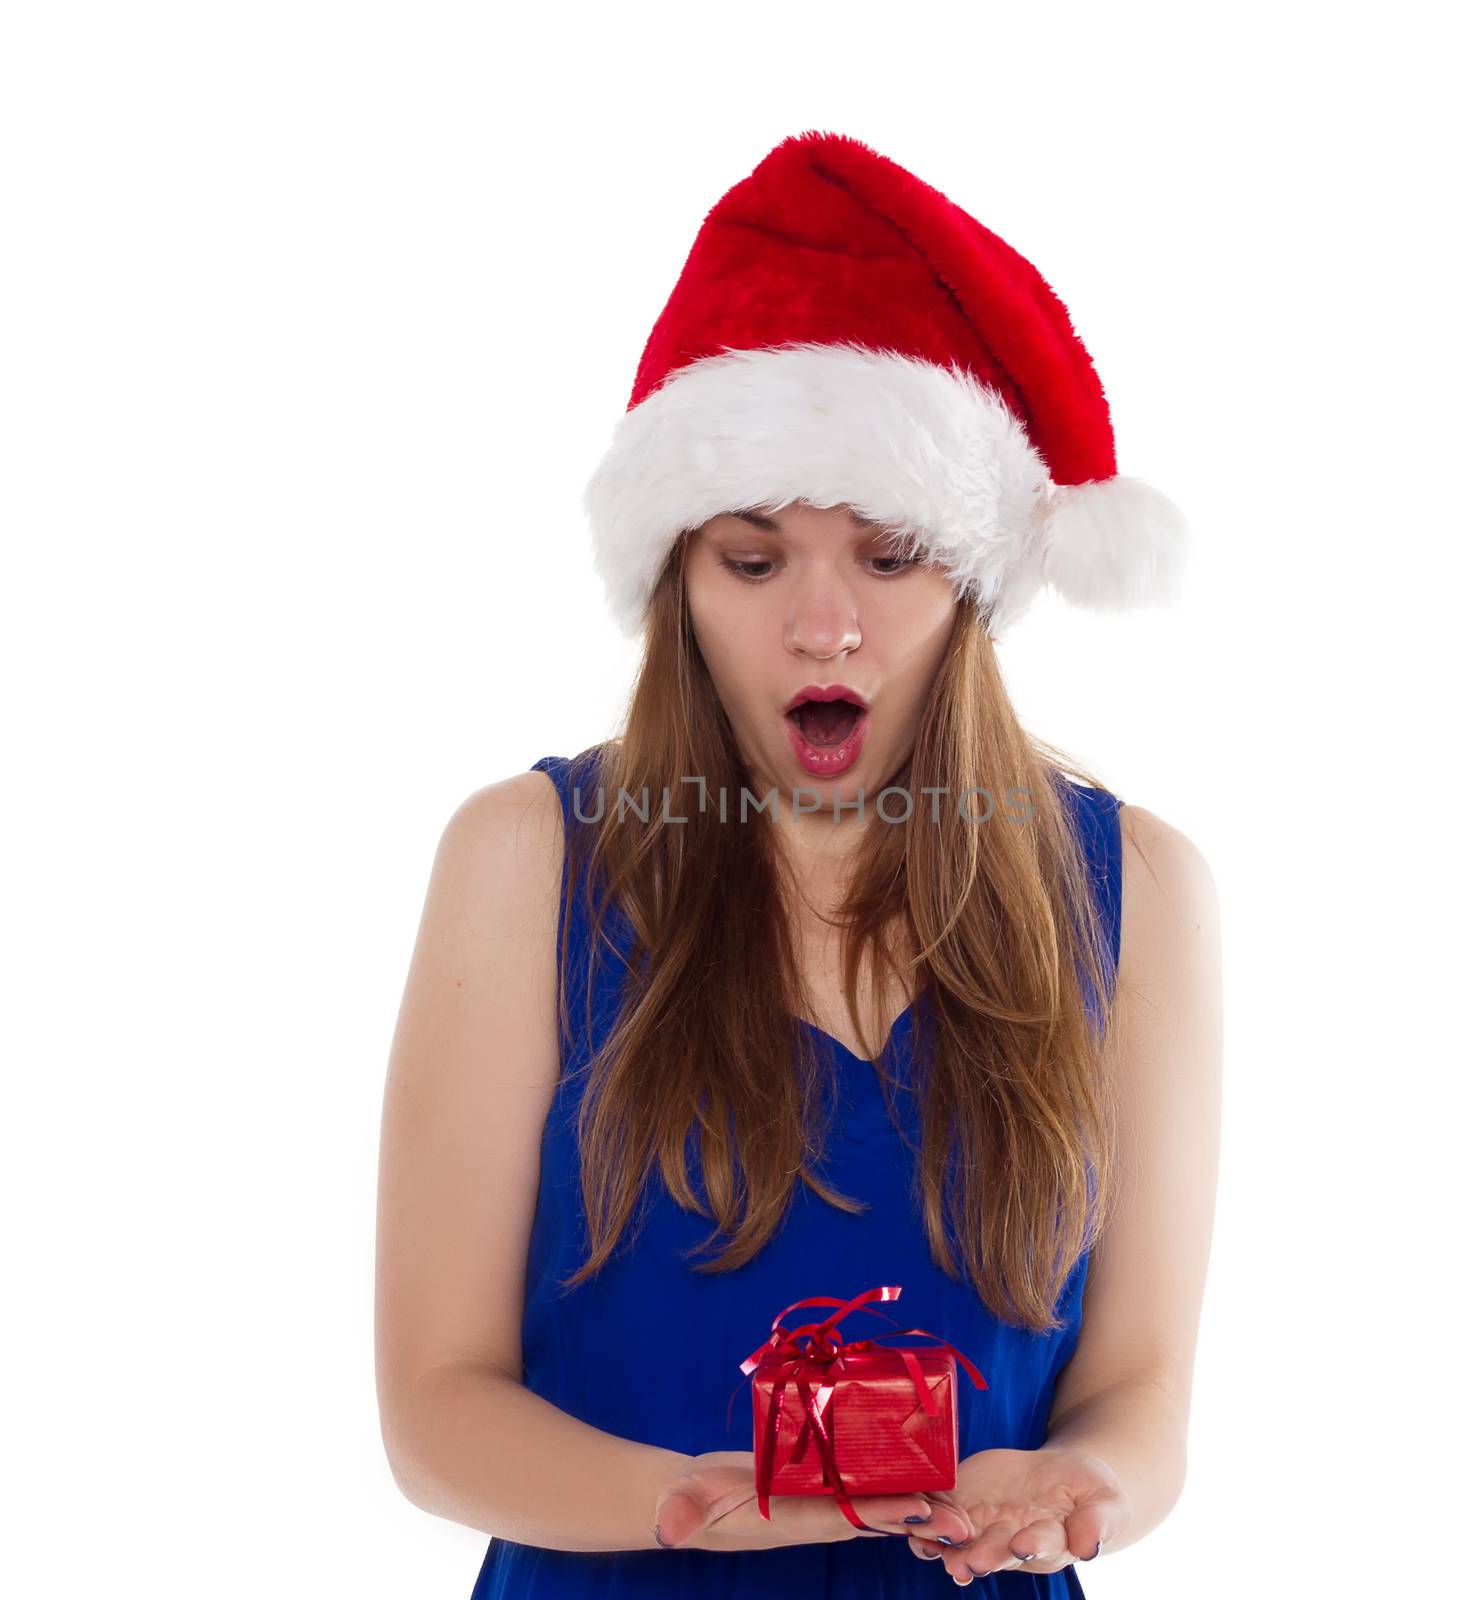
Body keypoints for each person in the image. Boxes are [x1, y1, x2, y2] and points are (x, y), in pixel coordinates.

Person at [375, 129, 1222, 1597]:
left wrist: (1085, 1486)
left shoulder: (1137, 890)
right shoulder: (524, 862)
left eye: (889, 558)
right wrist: (688, 1500)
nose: (823, 627)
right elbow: (435, 1405)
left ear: (969, 582)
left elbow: (1141, 1391)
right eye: (754, 562)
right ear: (676, 579)